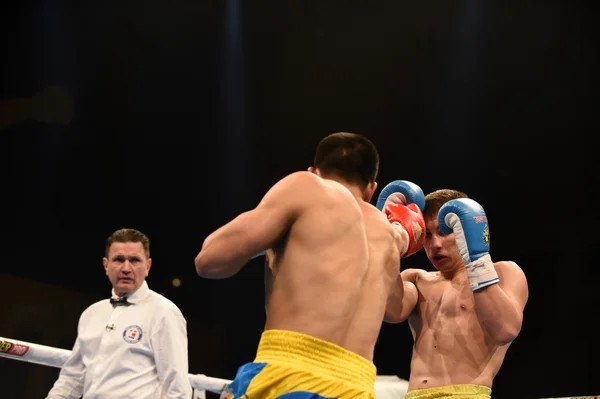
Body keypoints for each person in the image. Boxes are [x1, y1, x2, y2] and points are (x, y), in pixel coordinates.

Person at [195, 132, 425, 399]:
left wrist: (269, 240)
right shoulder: (389, 235)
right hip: (356, 387)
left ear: (314, 171)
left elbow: (210, 260)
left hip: (292, 375)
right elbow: (395, 311)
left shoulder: (307, 187)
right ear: (372, 188)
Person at [384, 189, 529, 399]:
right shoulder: (416, 279)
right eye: (427, 235)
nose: (435, 245)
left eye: (444, 232)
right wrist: (388, 246)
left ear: (466, 230)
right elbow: (391, 313)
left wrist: (477, 260)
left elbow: (505, 330)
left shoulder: (503, 273)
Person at [46, 228, 192, 399]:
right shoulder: (91, 314)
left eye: (135, 260)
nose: (126, 268)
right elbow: (72, 378)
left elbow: (177, 387)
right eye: (118, 260)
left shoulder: (164, 312)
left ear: (148, 266)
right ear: (106, 265)